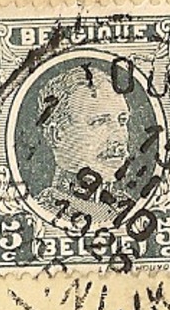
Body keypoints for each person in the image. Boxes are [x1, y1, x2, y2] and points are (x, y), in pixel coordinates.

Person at [31, 65, 134, 231]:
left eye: (122, 121)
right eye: (99, 122)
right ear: (57, 135)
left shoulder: (130, 209)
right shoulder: (40, 213)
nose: (119, 137)